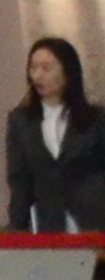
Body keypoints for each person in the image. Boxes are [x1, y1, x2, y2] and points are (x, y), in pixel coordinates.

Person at [8, 39, 102, 232]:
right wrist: (17, 228)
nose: (38, 76)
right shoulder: (21, 121)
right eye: (33, 68)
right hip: (50, 225)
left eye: (46, 68)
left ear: (68, 72)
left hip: (94, 222)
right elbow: (20, 180)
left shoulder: (96, 120)